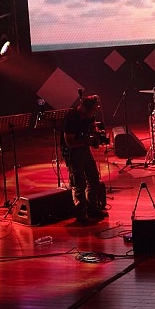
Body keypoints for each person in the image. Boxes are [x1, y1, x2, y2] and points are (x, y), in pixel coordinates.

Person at [61, 95, 108, 224]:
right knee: (78, 182)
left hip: (84, 149)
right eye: (93, 110)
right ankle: (81, 215)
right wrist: (87, 141)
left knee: (93, 178)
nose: (94, 113)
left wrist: (96, 134)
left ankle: (92, 209)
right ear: (85, 110)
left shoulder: (89, 116)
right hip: (72, 152)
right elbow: (70, 142)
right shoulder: (71, 118)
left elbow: (92, 127)